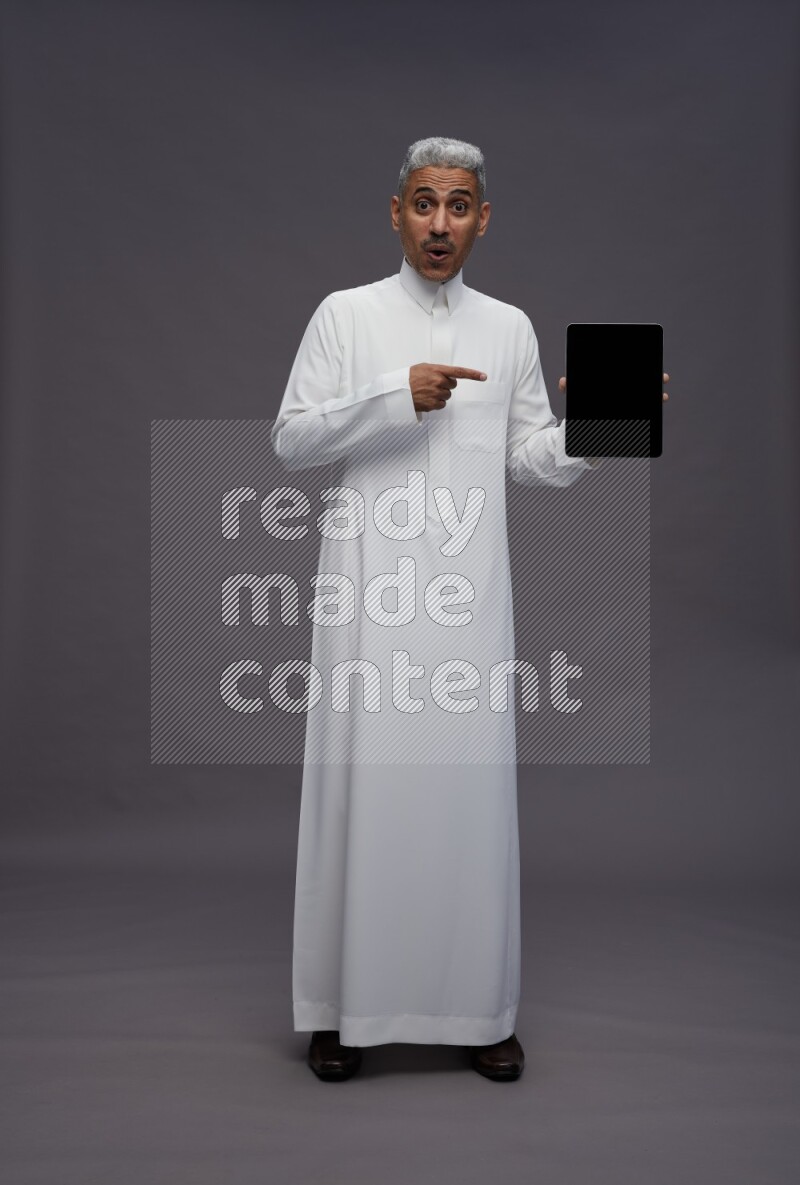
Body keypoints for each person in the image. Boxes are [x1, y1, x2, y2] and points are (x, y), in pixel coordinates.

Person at [271, 136, 669, 1082]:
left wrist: (603, 426)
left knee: (467, 800)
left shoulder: (509, 328)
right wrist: (391, 394)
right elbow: (290, 440)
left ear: (483, 220)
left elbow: (529, 457)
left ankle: (478, 1008)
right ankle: (340, 1009)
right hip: (370, 594)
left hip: (465, 604)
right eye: (423, 203)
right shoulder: (346, 316)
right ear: (396, 212)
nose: (439, 223)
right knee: (359, 791)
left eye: (459, 206)